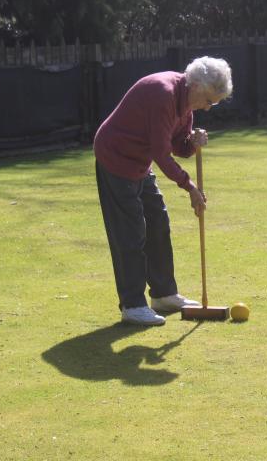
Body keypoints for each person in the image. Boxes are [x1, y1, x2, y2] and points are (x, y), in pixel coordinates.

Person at [93, 56, 233, 326]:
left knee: (158, 221)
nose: (208, 107)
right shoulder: (164, 94)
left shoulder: (186, 105)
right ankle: (132, 305)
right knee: (131, 232)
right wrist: (189, 185)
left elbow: (178, 145)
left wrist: (192, 142)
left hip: (140, 162)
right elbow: (161, 152)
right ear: (198, 86)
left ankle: (163, 294)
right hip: (116, 157)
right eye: (210, 100)